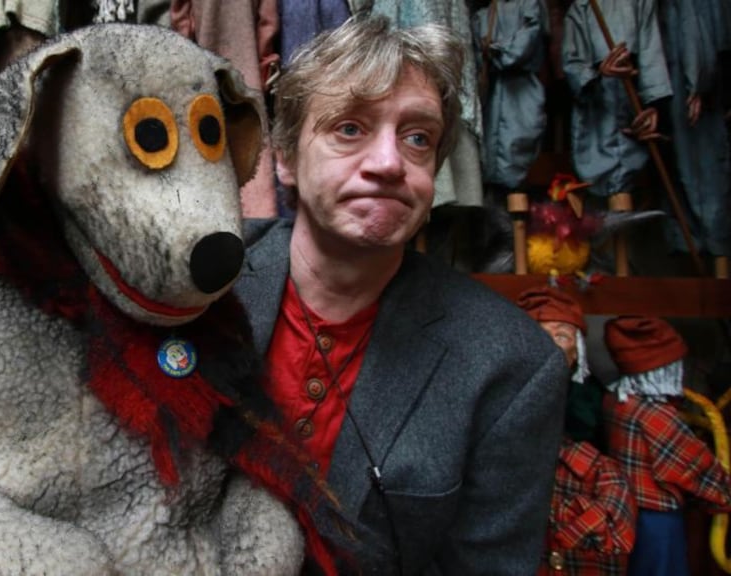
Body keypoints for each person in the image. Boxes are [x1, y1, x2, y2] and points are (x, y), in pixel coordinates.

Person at [235, 14, 569, 574]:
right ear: (286, 157)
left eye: (417, 138)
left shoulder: (512, 367)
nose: (389, 163)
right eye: (349, 128)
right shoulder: (199, 286)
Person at [517, 287, 637, 574]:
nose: (550, 348)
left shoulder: (589, 399)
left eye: (561, 337)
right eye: (538, 335)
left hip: (574, 498)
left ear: (577, 351)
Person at [601, 315, 731, 576]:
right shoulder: (656, 415)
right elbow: (693, 465)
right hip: (657, 518)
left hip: (624, 510)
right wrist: (724, 493)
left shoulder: (615, 399)